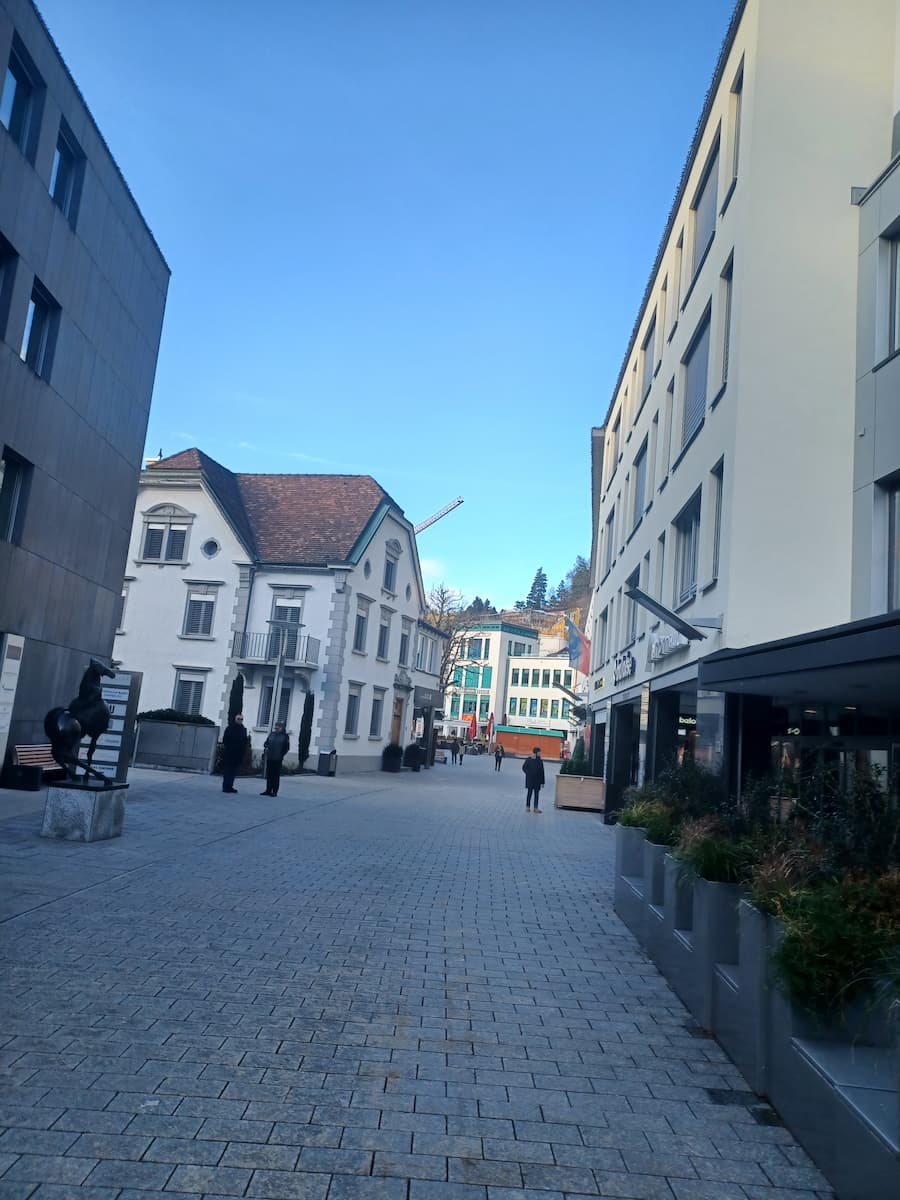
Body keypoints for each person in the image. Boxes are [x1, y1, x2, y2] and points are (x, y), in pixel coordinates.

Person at [221, 714, 248, 793]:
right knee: (228, 770)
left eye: (241, 719)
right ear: (235, 719)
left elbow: (244, 741)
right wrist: (230, 747)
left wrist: (243, 751)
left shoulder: (243, 729)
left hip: (238, 754)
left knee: (233, 771)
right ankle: (226, 786)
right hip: (230, 753)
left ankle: (230, 785)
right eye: (238, 719)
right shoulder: (229, 728)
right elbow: (225, 740)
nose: (240, 720)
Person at [262, 721, 290, 796]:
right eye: (276, 726)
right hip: (270, 757)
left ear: (282, 728)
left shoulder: (285, 736)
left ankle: (274, 791)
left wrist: (281, 755)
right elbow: (266, 742)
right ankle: (268, 790)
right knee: (269, 774)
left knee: (275, 775)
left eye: (278, 726)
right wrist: (266, 746)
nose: (276, 728)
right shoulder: (272, 734)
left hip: (277, 758)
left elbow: (286, 748)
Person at [522, 746, 545, 812]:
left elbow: (542, 772)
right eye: (539, 752)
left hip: (537, 781)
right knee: (529, 793)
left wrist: (542, 782)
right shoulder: (529, 759)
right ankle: (528, 806)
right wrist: (528, 773)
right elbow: (524, 767)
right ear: (536, 752)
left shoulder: (540, 761)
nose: (540, 753)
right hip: (530, 780)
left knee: (536, 794)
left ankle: (535, 808)